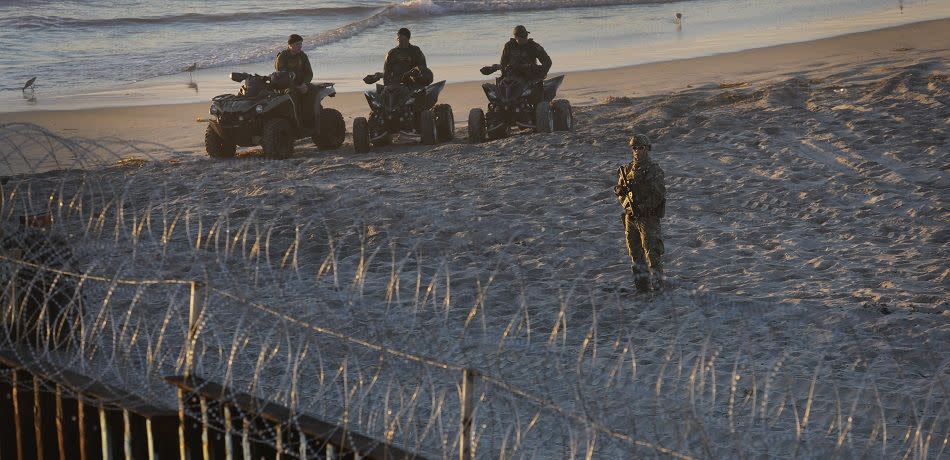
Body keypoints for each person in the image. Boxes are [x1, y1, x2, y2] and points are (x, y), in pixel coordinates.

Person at [614, 134, 667, 293]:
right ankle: (641, 288)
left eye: (641, 148)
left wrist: (642, 208)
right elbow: (622, 193)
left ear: (647, 149)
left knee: (653, 256)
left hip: (648, 219)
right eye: (634, 148)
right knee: (635, 255)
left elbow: (659, 195)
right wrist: (621, 195)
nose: (637, 151)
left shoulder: (653, 170)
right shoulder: (627, 170)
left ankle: (658, 288)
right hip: (631, 217)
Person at [274, 34, 317, 130]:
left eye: (301, 44)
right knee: (292, 95)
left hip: (302, 84)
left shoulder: (302, 55)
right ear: (290, 45)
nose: (300, 46)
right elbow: (281, 77)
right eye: (297, 44)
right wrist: (296, 86)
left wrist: (305, 84)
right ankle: (297, 123)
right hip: (286, 86)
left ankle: (309, 118)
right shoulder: (282, 57)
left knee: (314, 90)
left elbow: (309, 73)